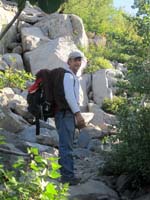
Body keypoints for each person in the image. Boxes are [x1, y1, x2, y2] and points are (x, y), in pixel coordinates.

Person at [54, 51, 86, 185]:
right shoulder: (68, 76)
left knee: (65, 145)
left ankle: (65, 175)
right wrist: (78, 114)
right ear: (69, 62)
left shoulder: (72, 76)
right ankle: (67, 177)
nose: (78, 63)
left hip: (65, 114)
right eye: (75, 60)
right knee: (66, 146)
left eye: (79, 60)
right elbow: (69, 96)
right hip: (65, 114)